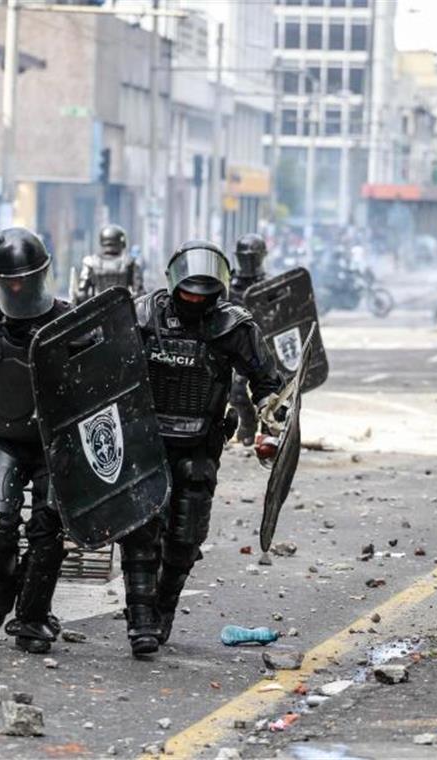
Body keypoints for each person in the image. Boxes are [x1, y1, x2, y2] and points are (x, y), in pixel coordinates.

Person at [119, 240, 286, 657]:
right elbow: (109, 367)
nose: (194, 299)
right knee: (141, 532)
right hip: (147, 439)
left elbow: (267, 380)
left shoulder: (233, 325)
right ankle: (140, 621)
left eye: (203, 293)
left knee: (186, 536)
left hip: (199, 444)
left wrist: (271, 415)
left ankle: (163, 611)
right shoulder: (142, 315)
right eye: (188, 291)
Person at [0, 228, 71, 655]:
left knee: (48, 533)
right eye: (8, 281)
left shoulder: (67, 318)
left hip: (52, 439)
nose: (15, 288)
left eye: (22, 280)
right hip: (4, 433)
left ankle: (31, 616)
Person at [228, 233, 271, 446]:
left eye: (253, 256)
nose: (249, 260)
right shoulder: (228, 283)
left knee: (270, 393)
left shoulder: (269, 285)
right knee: (235, 390)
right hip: (236, 345)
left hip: (263, 347)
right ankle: (248, 422)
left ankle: (269, 432)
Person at [73, 224, 144, 304]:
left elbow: (82, 293)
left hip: (98, 309)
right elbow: (139, 293)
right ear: (121, 242)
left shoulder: (91, 262)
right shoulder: (130, 262)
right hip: (124, 309)